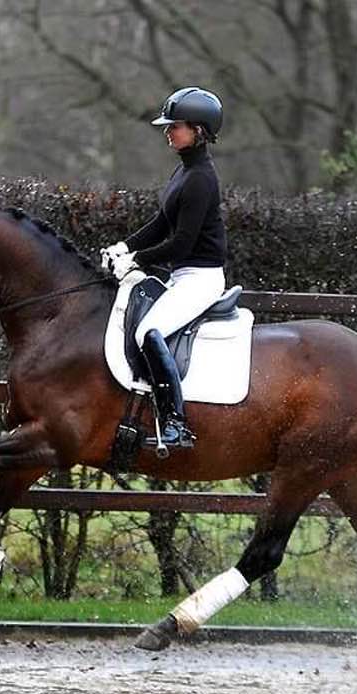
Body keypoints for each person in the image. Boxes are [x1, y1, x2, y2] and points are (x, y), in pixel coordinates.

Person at [102, 86, 226, 450]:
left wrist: (136, 260)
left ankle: (176, 422)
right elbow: (161, 222)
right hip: (183, 276)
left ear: (198, 130)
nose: (168, 132)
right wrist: (124, 246)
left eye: (176, 126)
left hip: (201, 278)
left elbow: (182, 244)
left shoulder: (202, 178)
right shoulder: (184, 171)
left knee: (148, 331)